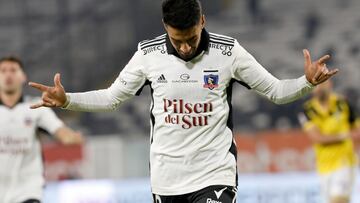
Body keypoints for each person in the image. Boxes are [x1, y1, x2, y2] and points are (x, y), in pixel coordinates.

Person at [28, 0, 338, 202]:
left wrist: (305, 83)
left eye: (191, 37)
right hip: (167, 179)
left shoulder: (228, 52)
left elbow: (275, 91)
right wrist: (67, 100)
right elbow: (111, 99)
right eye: (178, 40)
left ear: (202, 20)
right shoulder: (147, 55)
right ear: (165, 28)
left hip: (214, 173)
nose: (186, 47)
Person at [0, 56, 83, 203]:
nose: (8, 75)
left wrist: (74, 137)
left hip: (28, 192)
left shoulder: (36, 108)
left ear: (23, 76)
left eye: (13, 70)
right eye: (3, 71)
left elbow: (63, 134)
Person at [299, 80, 359, 203]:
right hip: (324, 166)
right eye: (316, 85)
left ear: (329, 84)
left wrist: (354, 143)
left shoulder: (343, 103)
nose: (319, 88)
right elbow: (317, 138)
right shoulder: (307, 110)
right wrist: (343, 136)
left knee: (338, 200)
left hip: (344, 162)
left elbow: (357, 131)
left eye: (322, 84)